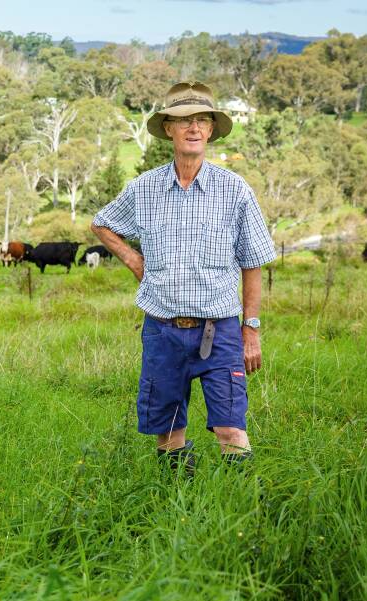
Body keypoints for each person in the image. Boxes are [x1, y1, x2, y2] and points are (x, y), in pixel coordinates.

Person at [90, 82, 276, 476]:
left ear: (211, 130)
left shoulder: (234, 190)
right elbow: (102, 223)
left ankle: (238, 504)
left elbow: (253, 262)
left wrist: (252, 329)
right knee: (168, 428)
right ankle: (176, 501)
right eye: (183, 120)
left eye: (202, 120)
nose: (193, 127)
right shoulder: (144, 188)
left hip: (221, 331)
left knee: (230, 427)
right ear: (168, 130)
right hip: (162, 330)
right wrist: (131, 256)